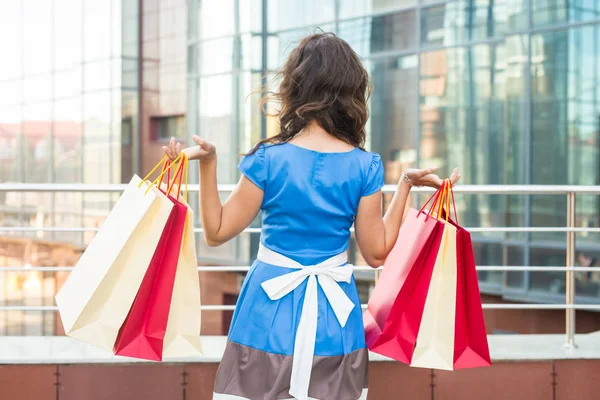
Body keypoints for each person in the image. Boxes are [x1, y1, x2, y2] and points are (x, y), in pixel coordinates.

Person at [163, 33, 460, 400]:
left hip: (265, 310)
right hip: (335, 317)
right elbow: (377, 253)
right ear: (350, 91)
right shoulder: (365, 166)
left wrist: (208, 164)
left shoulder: (267, 159)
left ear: (296, 87)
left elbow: (217, 232)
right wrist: (403, 188)